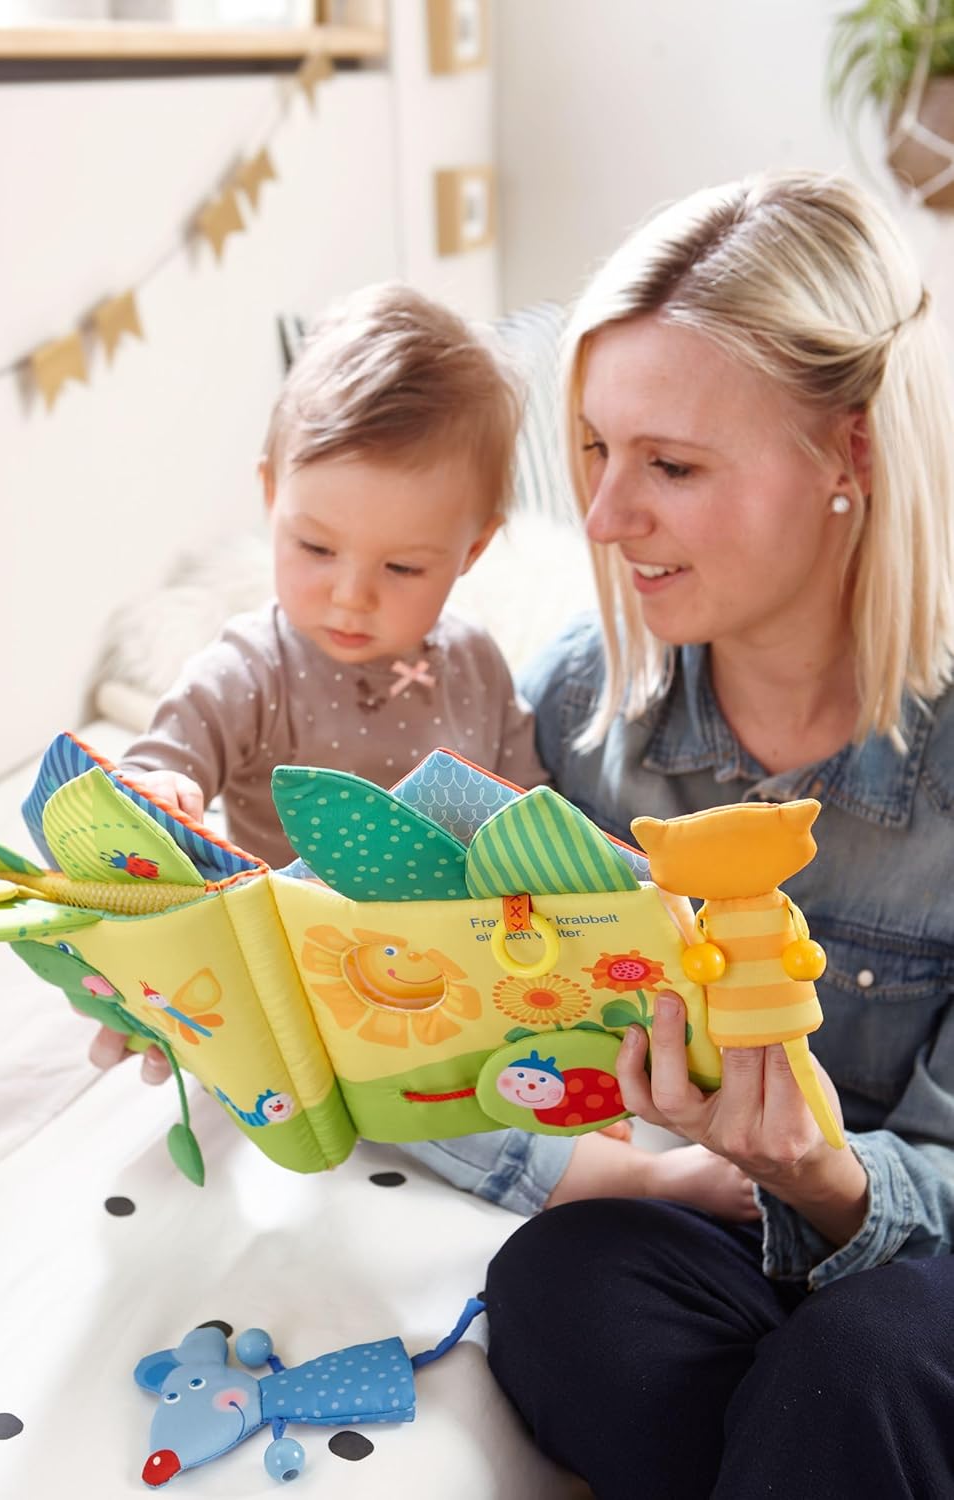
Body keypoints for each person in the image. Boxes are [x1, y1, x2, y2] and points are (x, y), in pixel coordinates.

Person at [477, 169, 954, 1499]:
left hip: (914, 1255)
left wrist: (820, 1175)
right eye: (594, 449)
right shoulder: (577, 711)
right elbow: (478, 1017)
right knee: (564, 1289)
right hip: (729, 1231)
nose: (601, 518)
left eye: (671, 466)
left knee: (865, 1360)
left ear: (850, 457)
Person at [91, 279, 757, 1223]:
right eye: (315, 548)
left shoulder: (478, 663)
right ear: (272, 496)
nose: (350, 596)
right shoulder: (249, 667)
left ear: (472, 552)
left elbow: (525, 818)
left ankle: (594, 1123)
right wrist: (162, 788)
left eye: (403, 567)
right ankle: (635, 1184)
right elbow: (159, 769)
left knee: (552, 1039)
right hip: (322, 993)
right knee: (417, 1094)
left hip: (466, 971)